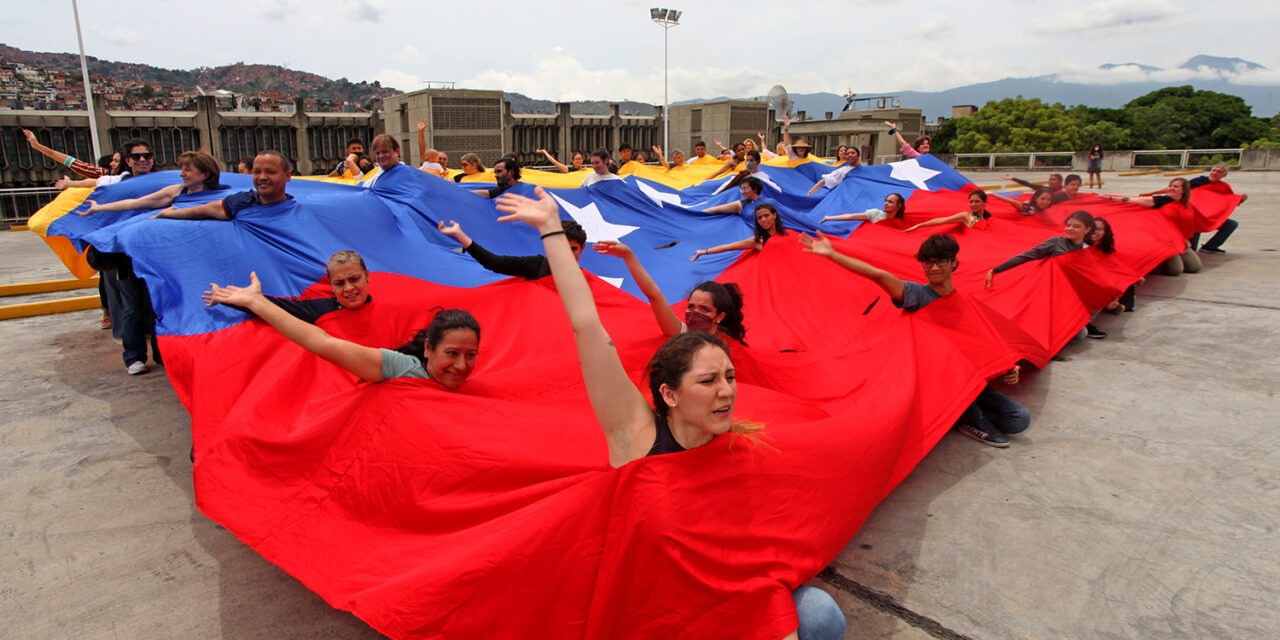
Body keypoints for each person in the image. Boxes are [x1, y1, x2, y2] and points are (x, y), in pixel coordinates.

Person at [494, 186, 846, 640]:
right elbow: (586, 324)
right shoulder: (635, 435)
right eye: (708, 381)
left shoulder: (738, 446)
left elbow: (756, 550)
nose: (726, 392)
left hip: (729, 606)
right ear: (670, 393)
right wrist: (550, 231)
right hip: (662, 619)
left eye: (730, 377)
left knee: (820, 612)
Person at [801, 231, 1031, 446]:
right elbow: (878, 275)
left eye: (940, 261)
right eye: (928, 262)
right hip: (939, 382)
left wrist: (1006, 367)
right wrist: (833, 255)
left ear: (953, 263)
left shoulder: (964, 301)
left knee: (1019, 419)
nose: (933, 267)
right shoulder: (917, 296)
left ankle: (957, 412)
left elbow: (981, 341)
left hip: (969, 380)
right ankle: (969, 416)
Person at [209, 273, 480, 389]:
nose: (461, 365)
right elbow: (322, 343)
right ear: (428, 349)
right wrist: (256, 302)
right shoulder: (402, 367)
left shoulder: (466, 383)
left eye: (471, 355)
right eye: (452, 353)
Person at [594, 239, 748, 344]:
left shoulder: (728, 348)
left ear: (720, 316)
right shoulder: (681, 333)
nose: (694, 313)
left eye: (705, 309)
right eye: (691, 307)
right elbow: (654, 295)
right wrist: (629, 256)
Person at [985, 209, 1104, 342]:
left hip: (1071, 296)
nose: (1070, 228)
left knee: (1098, 304)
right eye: (1068, 225)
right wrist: (996, 270)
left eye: (1076, 226)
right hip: (1049, 294)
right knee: (1080, 335)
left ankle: (1083, 320)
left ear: (1087, 229)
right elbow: (1028, 255)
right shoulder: (1056, 242)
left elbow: (1088, 277)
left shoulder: (1085, 250)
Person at [205, 250, 372, 321]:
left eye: (354, 279)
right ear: (331, 286)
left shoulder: (389, 305)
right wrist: (230, 298)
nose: (349, 288)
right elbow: (280, 307)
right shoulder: (322, 309)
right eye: (339, 283)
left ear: (367, 276)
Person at [146, 150, 292, 220]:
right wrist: (166, 214)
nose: (262, 177)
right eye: (257, 172)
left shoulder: (296, 207)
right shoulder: (241, 202)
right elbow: (202, 210)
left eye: (270, 172)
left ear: (287, 176)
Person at [1104, 178, 1201, 275]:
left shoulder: (1187, 205)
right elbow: (1132, 200)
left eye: (1175, 186)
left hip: (1179, 240)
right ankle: (1153, 263)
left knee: (1194, 267)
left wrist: (1186, 239)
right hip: (1162, 241)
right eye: (1170, 186)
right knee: (1175, 270)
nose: (1171, 188)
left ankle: (1168, 257)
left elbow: (1186, 225)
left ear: (1183, 190)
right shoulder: (1161, 201)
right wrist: (1111, 198)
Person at [81, 151, 222, 218]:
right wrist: (98, 208)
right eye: (182, 170)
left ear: (205, 174)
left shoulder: (220, 197)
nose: (182, 174)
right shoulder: (175, 191)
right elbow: (134, 203)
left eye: (188, 170)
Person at [437, 217, 587, 280]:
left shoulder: (587, 281)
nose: (566, 255)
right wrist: (460, 235)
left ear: (582, 248)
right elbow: (493, 262)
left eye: (573, 249)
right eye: (562, 248)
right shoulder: (536, 266)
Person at [1146, 164, 1245, 254]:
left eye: (1219, 171)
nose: (1215, 173)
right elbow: (1176, 189)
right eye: (1213, 170)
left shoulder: (1224, 187)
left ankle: (1210, 246)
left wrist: (1240, 199)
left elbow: (1227, 202)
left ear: (1224, 175)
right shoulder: (1200, 181)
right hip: (1193, 216)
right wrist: (1153, 193)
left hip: (1209, 216)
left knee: (1231, 224)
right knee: (1191, 248)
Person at [690, 202, 787, 261]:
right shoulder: (758, 241)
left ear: (774, 215)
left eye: (766, 215)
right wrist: (702, 252)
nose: (763, 220)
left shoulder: (788, 234)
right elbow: (728, 247)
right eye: (759, 218)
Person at [56, 137, 155, 190]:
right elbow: (79, 166)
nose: (142, 159)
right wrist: (69, 184)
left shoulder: (165, 179)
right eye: (136, 156)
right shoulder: (117, 180)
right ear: (128, 161)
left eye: (147, 156)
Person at [24, 129, 115, 179]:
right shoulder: (106, 174)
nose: (113, 163)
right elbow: (71, 161)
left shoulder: (108, 176)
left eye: (117, 161)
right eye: (114, 160)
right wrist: (37, 146)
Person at [905, 190, 992, 232]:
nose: (973, 204)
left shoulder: (989, 218)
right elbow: (942, 220)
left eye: (977, 202)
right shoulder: (966, 216)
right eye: (971, 202)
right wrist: (919, 225)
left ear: (984, 203)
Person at [713, 150, 781, 195]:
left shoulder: (763, 176)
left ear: (757, 162)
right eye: (747, 160)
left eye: (751, 160)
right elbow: (726, 186)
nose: (748, 162)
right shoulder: (742, 175)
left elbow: (775, 189)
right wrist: (716, 194)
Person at [821, 193, 906, 225]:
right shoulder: (876, 213)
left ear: (899, 206)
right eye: (886, 201)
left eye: (890, 202)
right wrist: (829, 218)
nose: (886, 203)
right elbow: (850, 217)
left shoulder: (899, 220)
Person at [989, 186, 1056, 217]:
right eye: (1042, 199)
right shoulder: (1029, 209)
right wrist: (993, 195)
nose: (1045, 202)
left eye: (1048, 199)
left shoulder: (1038, 208)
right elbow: (1012, 201)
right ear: (1036, 198)